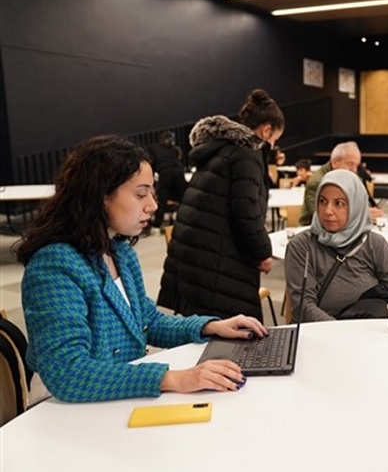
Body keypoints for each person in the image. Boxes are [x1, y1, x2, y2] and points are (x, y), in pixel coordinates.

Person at [14, 135, 267, 402]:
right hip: (63, 407)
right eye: (140, 193)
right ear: (100, 195)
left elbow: (147, 321)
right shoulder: (54, 267)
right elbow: (68, 372)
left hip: (116, 395)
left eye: (152, 192)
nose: (153, 205)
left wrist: (209, 327)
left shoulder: (119, 251)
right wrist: (173, 378)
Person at [158, 89, 285, 321]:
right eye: (275, 139)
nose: (273, 145)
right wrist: (263, 253)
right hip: (213, 263)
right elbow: (245, 214)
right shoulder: (247, 154)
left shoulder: (223, 149)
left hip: (192, 260)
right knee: (228, 341)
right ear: (266, 130)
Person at [285, 170, 388, 322]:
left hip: (371, 334)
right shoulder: (301, 246)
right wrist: (343, 334)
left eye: (339, 203)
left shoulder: (374, 244)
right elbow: (303, 307)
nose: (328, 211)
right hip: (320, 335)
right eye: (322, 201)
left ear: (356, 207)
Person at [298, 141, 383, 225]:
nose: (354, 170)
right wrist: (361, 216)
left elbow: (364, 205)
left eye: (356, 165)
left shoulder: (353, 178)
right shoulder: (317, 182)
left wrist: (371, 213)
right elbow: (323, 216)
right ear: (335, 163)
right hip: (313, 232)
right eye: (350, 164)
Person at [147, 130, 188, 229]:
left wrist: (150, 178)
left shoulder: (154, 148)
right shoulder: (175, 149)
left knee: (162, 199)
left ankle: (157, 223)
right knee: (184, 198)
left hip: (165, 173)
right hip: (178, 171)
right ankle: (188, 220)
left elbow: (152, 163)